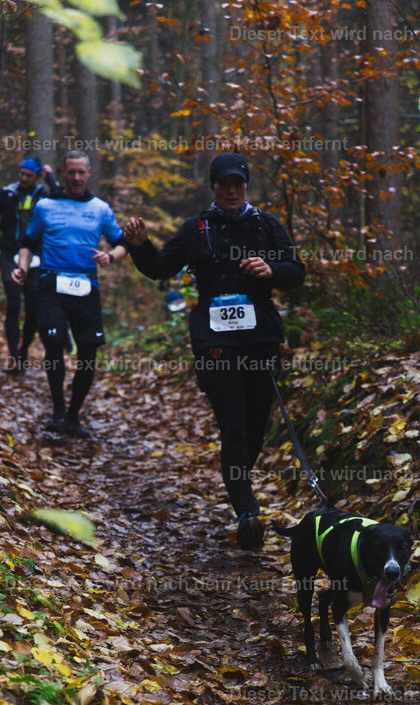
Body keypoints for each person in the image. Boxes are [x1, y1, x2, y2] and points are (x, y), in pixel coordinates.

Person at [123, 152, 305, 549]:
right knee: (233, 424)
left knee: (255, 425)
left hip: (260, 340)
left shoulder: (266, 225)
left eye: (238, 183)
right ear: (214, 186)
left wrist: (272, 270)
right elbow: (160, 267)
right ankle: (246, 512)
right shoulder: (196, 229)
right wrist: (139, 246)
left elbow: (296, 272)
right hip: (215, 342)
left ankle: (239, 481)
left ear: (246, 186)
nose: (232, 190)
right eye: (225, 184)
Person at [12, 151, 127, 437]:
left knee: (88, 353)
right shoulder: (45, 205)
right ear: (62, 173)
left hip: (87, 286)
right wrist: (22, 268)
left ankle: (74, 416)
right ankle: (58, 412)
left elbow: (123, 244)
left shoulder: (100, 208)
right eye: (71, 172)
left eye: (81, 172)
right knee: (54, 342)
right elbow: (28, 242)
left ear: (89, 174)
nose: (76, 177)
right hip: (51, 285)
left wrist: (110, 257)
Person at [0, 157, 61, 370]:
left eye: (28, 175)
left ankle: (24, 349)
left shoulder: (45, 195)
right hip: (9, 254)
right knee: (13, 304)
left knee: (33, 309)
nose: (23, 178)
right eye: (21, 173)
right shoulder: (7, 193)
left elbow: (62, 199)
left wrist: (50, 179)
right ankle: (14, 356)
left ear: (37, 175)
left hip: (36, 256)